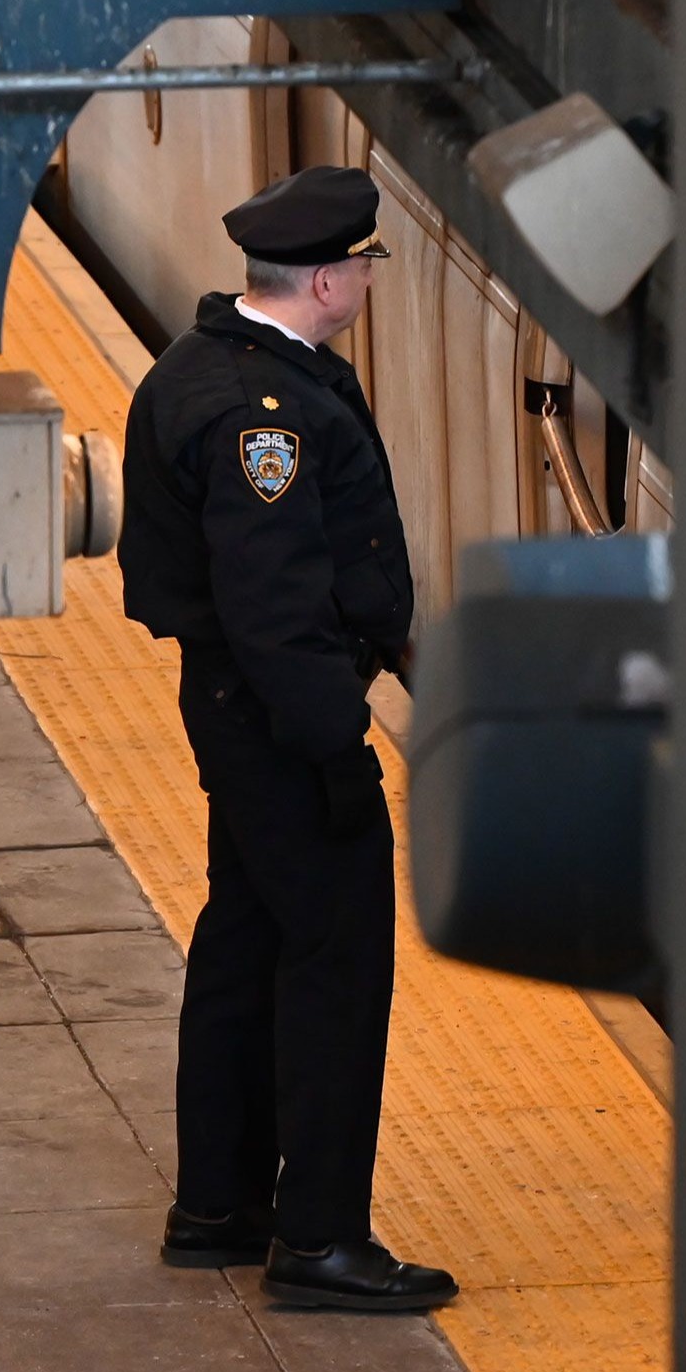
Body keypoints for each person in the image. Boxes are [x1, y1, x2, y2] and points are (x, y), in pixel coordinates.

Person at [114, 166, 455, 1311]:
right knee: (336, 968)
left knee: (247, 942)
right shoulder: (265, 416)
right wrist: (337, 747)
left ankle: (218, 1206)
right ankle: (319, 1238)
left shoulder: (212, 367)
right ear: (326, 278)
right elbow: (273, 608)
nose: (364, 277)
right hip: (277, 725)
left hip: (231, 712)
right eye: (361, 263)